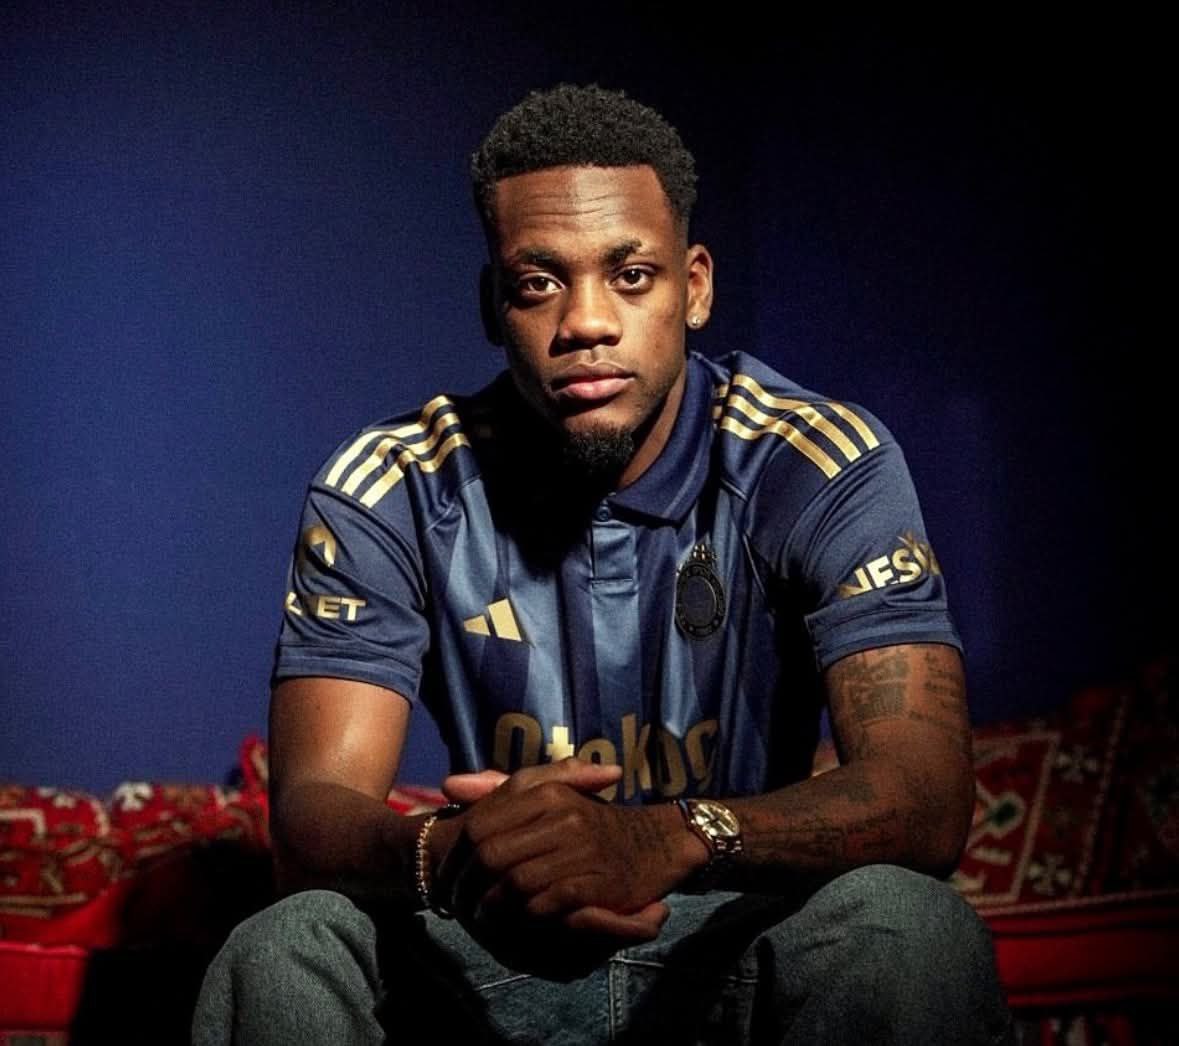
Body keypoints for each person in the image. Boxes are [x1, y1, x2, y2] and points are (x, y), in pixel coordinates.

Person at [194, 84, 1013, 1044]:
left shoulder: (812, 461)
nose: (586, 321)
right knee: (283, 945)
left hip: (737, 940)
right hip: (485, 952)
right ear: (493, 304)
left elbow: (926, 798)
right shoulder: (394, 485)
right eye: (539, 283)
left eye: (630, 275)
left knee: (908, 925)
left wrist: (664, 836)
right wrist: (455, 853)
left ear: (693, 287)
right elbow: (310, 821)